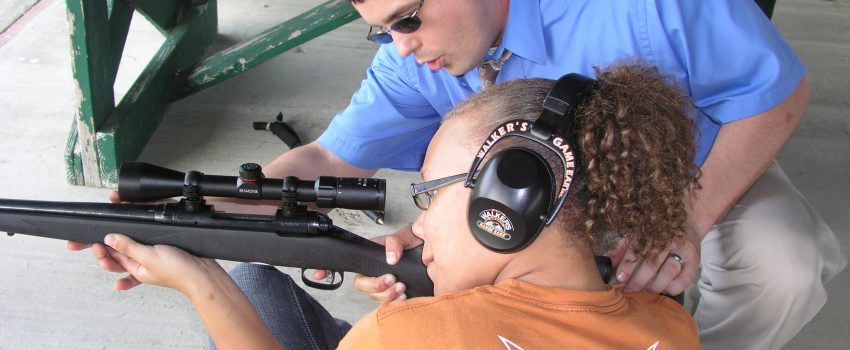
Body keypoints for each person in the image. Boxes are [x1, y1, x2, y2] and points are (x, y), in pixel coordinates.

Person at [245, 1, 843, 348]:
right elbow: (325, 161)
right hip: (536, 212)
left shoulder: (651, 5)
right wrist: (183, 219)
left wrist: (686, 220)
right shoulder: (416, 57)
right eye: (381, 28)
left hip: (693, 170)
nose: (401, 46)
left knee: (783, 261)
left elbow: (774, 98)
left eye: (407, 17)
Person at [87, 65, 702, 349]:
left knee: (244, 289)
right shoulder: (671, 326)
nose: (421, 220)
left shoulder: (405, 334)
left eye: (432, 193)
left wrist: (197, 282)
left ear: (507, 205)